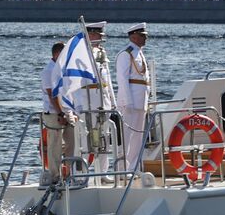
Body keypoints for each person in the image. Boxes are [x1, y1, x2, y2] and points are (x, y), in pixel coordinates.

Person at [74, 21, 118, 175]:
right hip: (88, 102)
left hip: (102, 101)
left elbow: (108, 81)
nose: (100, 38)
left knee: (104, 138)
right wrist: (79, 106)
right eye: (98, 35)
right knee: (87, 140)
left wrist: (113, 101)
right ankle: (82, 173)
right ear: (90, 35)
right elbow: (76, 83)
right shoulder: (81, 56)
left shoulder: (101, 54)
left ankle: (103, 173)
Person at [115, 23, 154, 174]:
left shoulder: (139, 52)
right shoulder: (126, 53)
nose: (146, 38)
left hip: (141, 100)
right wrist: (127, 101)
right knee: (126, 136)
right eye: (143, 35)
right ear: (133, 36)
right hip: (130, 101)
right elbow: (122, 80)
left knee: (138, 136)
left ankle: (133, 167)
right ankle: (122, 168)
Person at [40, 41, 76, 185]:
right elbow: (52, 95)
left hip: (67, 112)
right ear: (56, 54)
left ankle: (69, 174)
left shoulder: (64, 70)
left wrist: (71, 112)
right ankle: (55, 177)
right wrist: (61, 114)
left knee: (71, 143)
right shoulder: (48, 71)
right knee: (54, 145)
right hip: (54, 113)